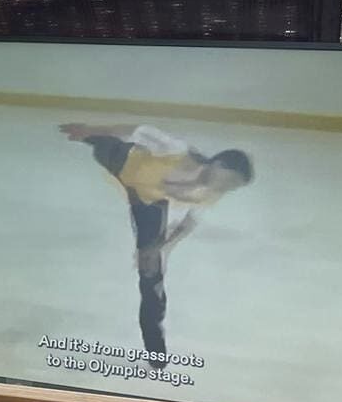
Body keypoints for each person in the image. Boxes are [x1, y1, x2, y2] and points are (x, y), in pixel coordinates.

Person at [59, 122, 255, 357]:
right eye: (230, 181)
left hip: (148, 205)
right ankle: (92, 139)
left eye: (233, 188)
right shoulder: (176, 151)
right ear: (218, 163)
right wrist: (92, 130)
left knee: (151, 276)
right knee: (101, 146)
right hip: (122, 161)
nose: (227, 188)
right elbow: (136, 129)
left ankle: (154, 344)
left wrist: (157, 249)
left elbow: (186, 225)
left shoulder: (210, 193)